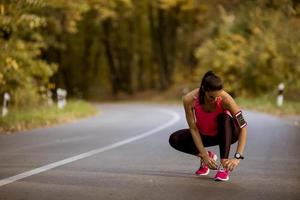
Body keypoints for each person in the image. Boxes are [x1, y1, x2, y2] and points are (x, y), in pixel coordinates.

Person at [169, 71, 247, 181]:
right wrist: (204, 155)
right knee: (175, 138)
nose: (215, 100)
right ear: (204, 90)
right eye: (211, 97)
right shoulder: (189, 100)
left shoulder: (227, 100)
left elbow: (243, 127)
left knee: (224, 118)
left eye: (218, 96)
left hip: (227, 133)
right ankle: (207, 157)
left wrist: (237, 157)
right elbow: (193, 129)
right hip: (205, 134)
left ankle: (224, 166)